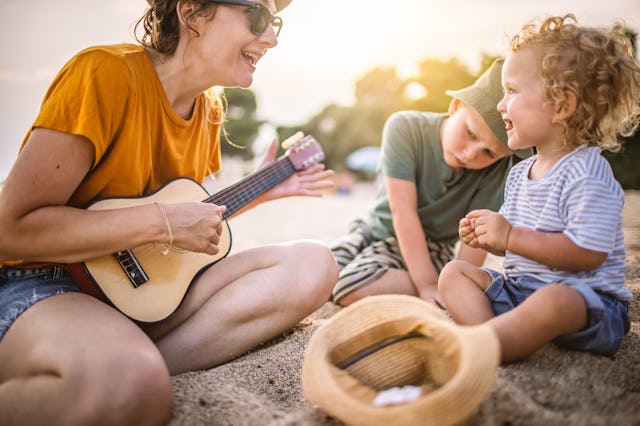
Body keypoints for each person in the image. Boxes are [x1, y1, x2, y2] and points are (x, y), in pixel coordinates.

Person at [0, 0, 338, 424]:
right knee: (129, 384)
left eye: (276, 24)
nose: (270, 38)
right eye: (258, 18)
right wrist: (159, 222)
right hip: (50, 282)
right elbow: (10, 229)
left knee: (314, 264)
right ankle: (124, 373)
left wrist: (261, 190)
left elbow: (188, 216)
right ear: (192, 11)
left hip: (141, 293)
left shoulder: (210, 111)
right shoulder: (103, 74)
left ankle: (128, 367)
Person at [438, 14, 640, 362]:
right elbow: (515, 248)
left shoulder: (587, 171)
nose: (501, 105)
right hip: (521, 292)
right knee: (454, 273)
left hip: (587, 303)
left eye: (512, 91)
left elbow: (587, 254)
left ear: (562, 105)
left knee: (556, 299)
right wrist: (487, 235)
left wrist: (509, 237)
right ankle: (488, 335)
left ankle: (495, 344)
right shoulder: (520, 174)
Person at [330, 58, 532, 307]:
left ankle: (431, 284)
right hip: (371, 230)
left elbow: (475, 235)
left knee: (349, 288)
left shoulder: (502, 168)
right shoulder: (406, 127)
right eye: (470, 134)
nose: (471, 154)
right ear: (456, 106)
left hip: (431, 247)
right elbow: (402, 210)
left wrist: (452, 285)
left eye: (489, 153)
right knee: (324, 275)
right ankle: (423, 283)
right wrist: (425, 285)